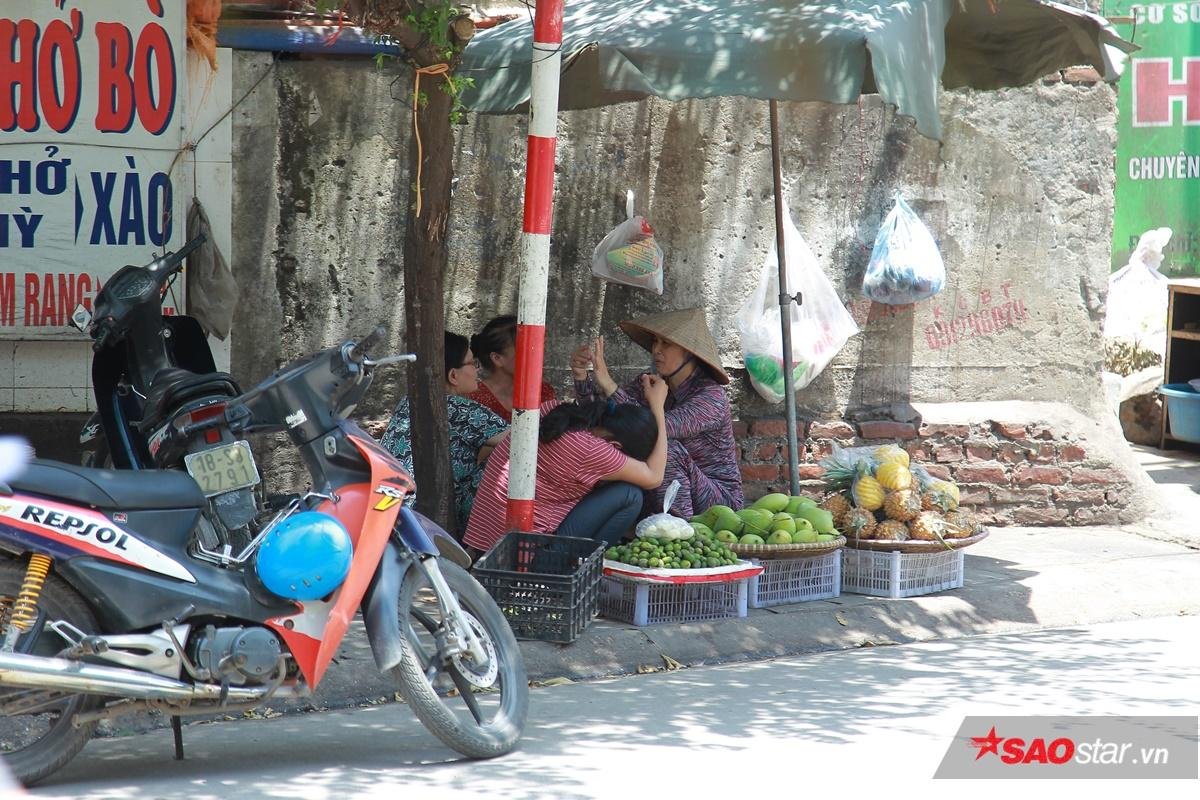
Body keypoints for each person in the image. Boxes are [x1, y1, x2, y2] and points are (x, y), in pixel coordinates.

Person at [463, 375, 668, 555]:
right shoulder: (591, 449)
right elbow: (654, 477)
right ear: (615, 446)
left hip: (485, 541)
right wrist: (658, 406)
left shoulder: (553, 410)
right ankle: (586, 565)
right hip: (526, 555)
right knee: (630, 494)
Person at [570, 307, 744, 518]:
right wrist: (582, 378)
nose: (656, 350)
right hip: (661, 489)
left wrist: (610, 385)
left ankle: (679, 532)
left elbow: (653, 430)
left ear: (688, 351)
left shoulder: (711, 397)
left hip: (718, 502)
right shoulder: (648, 383)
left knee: (665, 449)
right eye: (655, 342)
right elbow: (605, 419)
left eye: (666, 343)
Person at [379, 331, 508, 529]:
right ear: (453, 375)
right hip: (425, 516)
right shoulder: (459, 408)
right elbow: (523, 439)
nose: (477, 370)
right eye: (473, 363)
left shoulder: (408, 400)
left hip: (386, 504)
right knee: (508, 460)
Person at [467, 314, 557, 423]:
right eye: (527, 351)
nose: (538, 358)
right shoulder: (474, 400)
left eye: (538, 349)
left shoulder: (544, 393)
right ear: (497, 358)